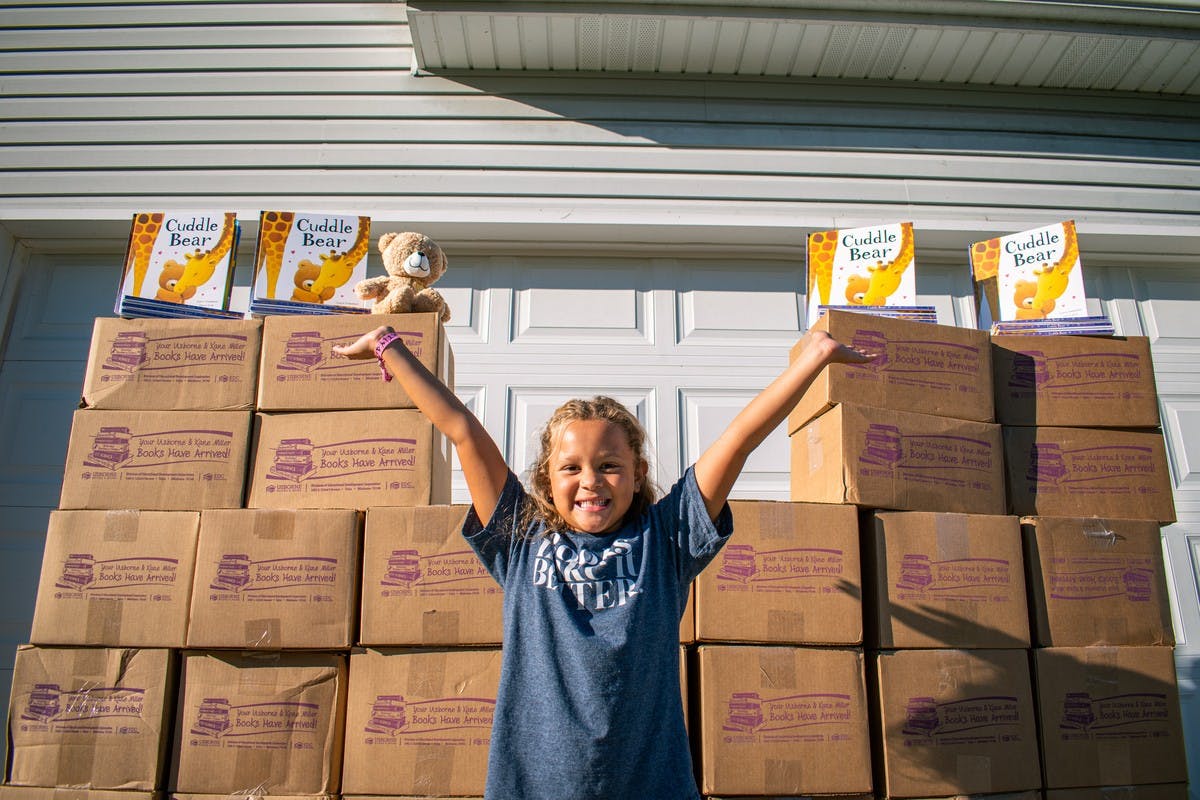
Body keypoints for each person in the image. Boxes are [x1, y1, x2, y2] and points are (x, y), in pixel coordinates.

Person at [333, 324, 873, 800]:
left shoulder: (667, 540)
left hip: (652, 785)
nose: (591, 480)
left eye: (609, 465)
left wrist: (812, 358)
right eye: (571, 467)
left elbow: (738, 440)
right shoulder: (521, 537)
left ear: (638, 473)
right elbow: (462, 430)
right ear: (547, 479)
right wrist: (389, 347)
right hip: (534, 786)